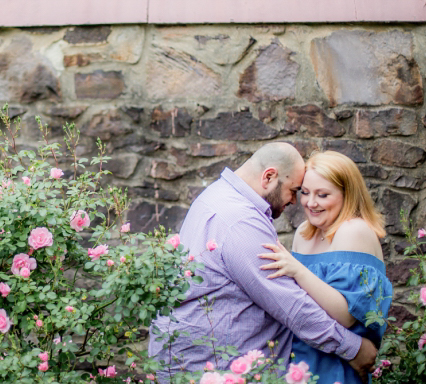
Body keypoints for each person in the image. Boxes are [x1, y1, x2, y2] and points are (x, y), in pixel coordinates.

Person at [148, 143, 378, 383]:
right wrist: (353, 348)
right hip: (215, 368)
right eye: (294, 190)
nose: (295, 201)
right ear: (269, 176)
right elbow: (289, 303)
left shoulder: (217, 194)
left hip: (193, 361)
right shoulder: (240, 221)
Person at [258, 150, 392, 384]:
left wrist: (298, 270)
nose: (311, 203)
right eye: (305, 193)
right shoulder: (304, 232)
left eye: (323, 195)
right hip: (299, 361)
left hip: (336, 367)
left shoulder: (354, 231)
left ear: (347, 194)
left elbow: (346, 315)